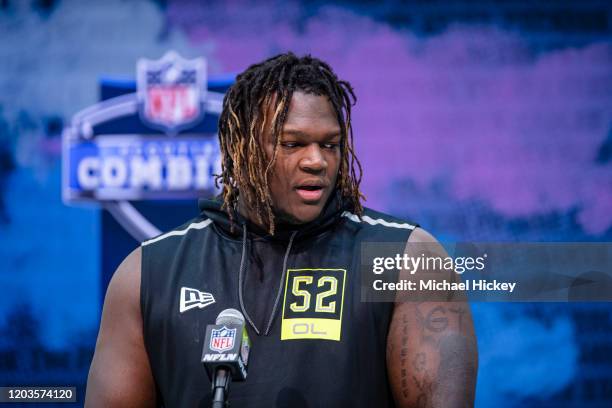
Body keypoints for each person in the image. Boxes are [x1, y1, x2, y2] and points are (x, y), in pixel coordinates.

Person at [85, 53, 478, 407]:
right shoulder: (148, 273)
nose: (317, 161)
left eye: (330, 145)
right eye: (293, 144)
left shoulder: (404, 258)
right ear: (241, 150)